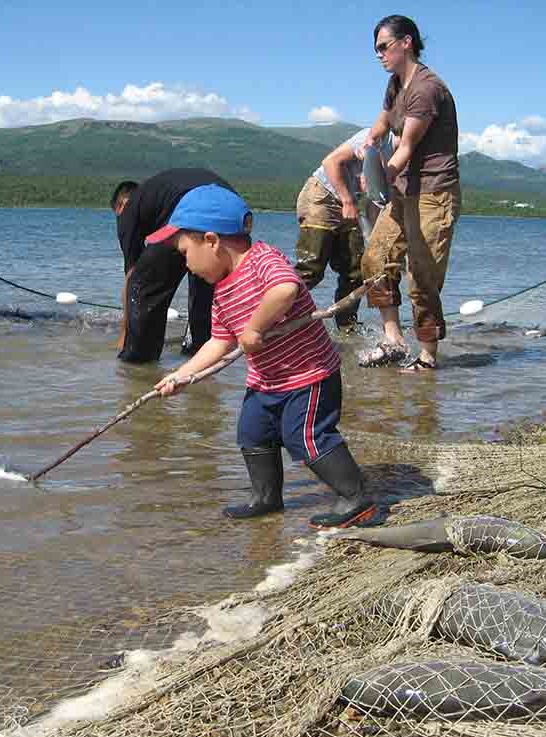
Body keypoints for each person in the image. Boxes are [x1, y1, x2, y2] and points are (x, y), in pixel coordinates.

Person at [151, 184, 383, 529]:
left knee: (305, 437)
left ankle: (355, 496)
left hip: (309, 376)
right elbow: (219, 342)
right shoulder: (221, 290)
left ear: (212, 241)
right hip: (266, 382)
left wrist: (256, 327)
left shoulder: (262, 259)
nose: (185, 264)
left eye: (184, 252)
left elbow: (285, 289)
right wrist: (182, 375)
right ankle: (266, 498)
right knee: (252, 433)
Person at [359, 15, 461, 371]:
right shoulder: (395, 85)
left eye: (383, 47)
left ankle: (428, 358)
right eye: (375, 50)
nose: (379, 55)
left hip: (434, 194)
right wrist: (370, 141)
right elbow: (385, 122)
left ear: (406, 42)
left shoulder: (426, 88)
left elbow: (404, 150)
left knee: (422, 276)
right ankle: (393, 339)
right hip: (403, 194)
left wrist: (376, 177)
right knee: (374, 259)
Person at [111, 169, 234, 363]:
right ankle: (200, 353)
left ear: (120, 206)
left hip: (192, 206)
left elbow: (132, 276)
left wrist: (125, 334)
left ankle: (139, 364)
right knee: (204, 285)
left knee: (145, 289)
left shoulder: (129, 210)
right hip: (230, 206)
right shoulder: (160, 193)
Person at [293, 129, 372, 331]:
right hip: (322, 197)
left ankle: (347, 326)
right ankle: (271, 318)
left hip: (350, 200)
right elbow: (330, 162)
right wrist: (347, 200)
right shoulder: (372, 137)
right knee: (311, 268)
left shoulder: (402, 152)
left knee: (355, 270)